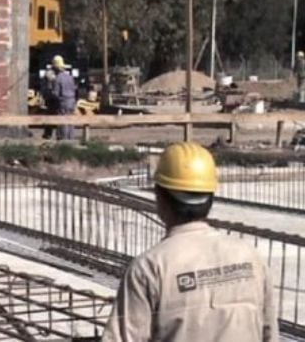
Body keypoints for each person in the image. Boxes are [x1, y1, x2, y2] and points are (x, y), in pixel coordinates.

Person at [103, 142, 278, 342]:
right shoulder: (250, 257)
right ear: (211, 197)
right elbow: (269, 333)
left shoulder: (150, 268)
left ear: (160, 197)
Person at [49, 55, 77, 140]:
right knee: (71, 122)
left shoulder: (57, 78)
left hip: (63, 103)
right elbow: (74, 89)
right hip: (72, 102)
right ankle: (71, 139)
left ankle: (64, 140)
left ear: (56, 68)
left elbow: (55, 93)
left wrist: (50, 92)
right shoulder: (70, 77)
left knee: (63, 122)